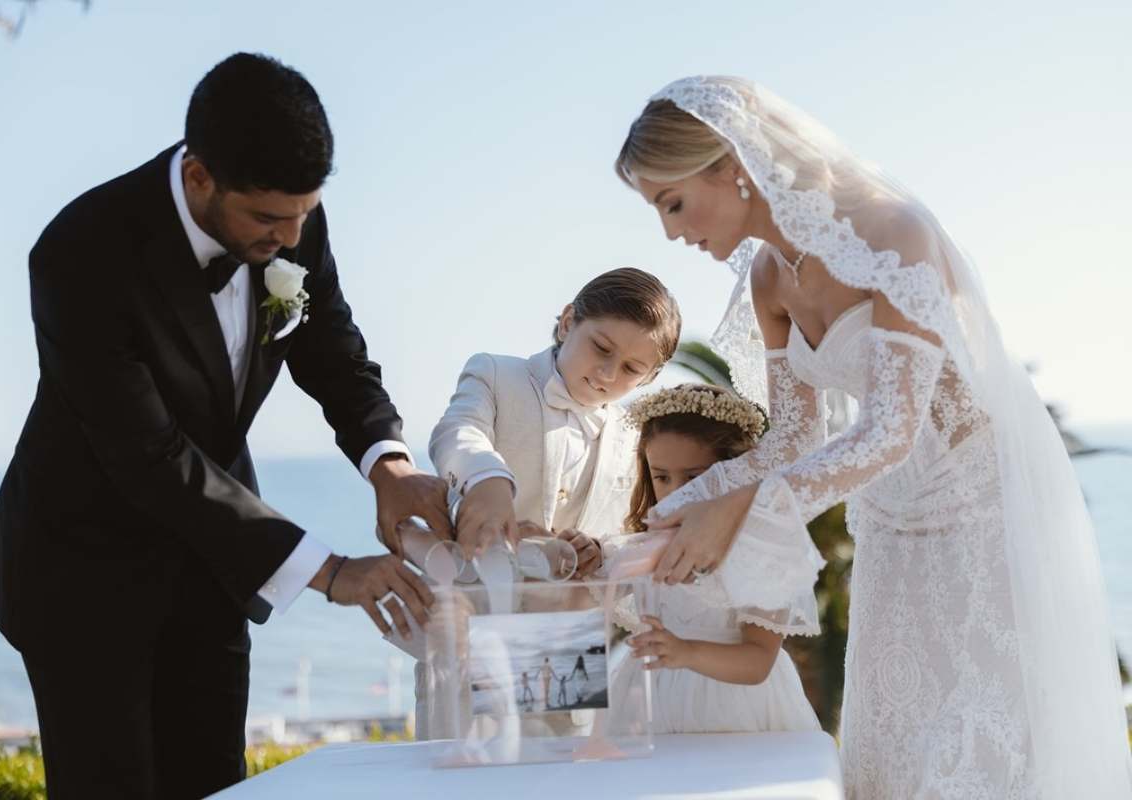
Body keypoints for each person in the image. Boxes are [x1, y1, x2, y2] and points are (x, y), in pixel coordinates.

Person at [616, 75, 1132, 797]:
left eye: (672, 203)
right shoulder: (768, 279)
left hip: (979, 513)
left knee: (982, 742)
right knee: (893, 733)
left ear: (731, 165)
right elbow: (795, 438)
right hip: (889, 523)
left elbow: (890, 431)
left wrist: (739, 508)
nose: (672, 232)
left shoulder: (892, 234)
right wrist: (674, 517)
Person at [0, 53, 447, 799]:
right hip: (85, 575)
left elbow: (332, 349)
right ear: (200, 176)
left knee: (216, 787)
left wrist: (387, 465)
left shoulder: (291, 218)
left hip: (213, 569)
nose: (290, 238)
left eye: (304, 214)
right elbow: (149, 455)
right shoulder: (82, 251)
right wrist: (331, 572)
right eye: (268, 219)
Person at [412, 267, 682, 737]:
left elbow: (639, 530)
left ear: (651, 376)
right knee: (467, 764)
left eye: (630, 369)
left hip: (568, 650)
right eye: (601, 348)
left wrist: (601, 550)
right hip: (475, 626)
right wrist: (488, 479)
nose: (607, 374)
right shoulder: (496, 374)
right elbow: (458, 431)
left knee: (561, 766)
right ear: (567, 321)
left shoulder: (634, 436)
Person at [614, 383, 821, 734]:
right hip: (652, 700)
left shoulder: (760, 551)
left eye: (694, 477)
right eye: (661, 477)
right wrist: (578, 557)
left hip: (734, 708)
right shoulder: (647, 542)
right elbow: (590, 590)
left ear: (735, 471)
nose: (678, 492)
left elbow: (758, 661)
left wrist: (686, 653)